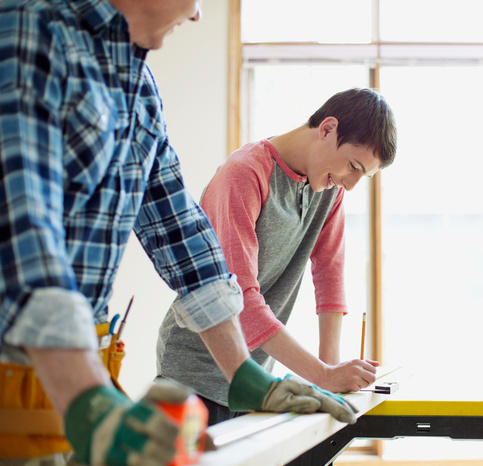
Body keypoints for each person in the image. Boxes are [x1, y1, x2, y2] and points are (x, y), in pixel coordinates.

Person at [0, 1, 357, 465]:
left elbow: (183, 237)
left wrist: (243, 375)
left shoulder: (138, 86)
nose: (197, 16)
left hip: (58, 381)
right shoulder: (30, 29)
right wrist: (89, 402)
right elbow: (24, 229)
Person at [156, 87, 398, 424]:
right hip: (194, 372)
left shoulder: (329, 189)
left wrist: (331, 371)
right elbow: (239, 298)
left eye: (364, 176)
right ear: (327, 129)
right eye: (353, 167)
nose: (351, 184)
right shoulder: (245, 173)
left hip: (259, 376)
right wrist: (323, 376)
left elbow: (330, 274)